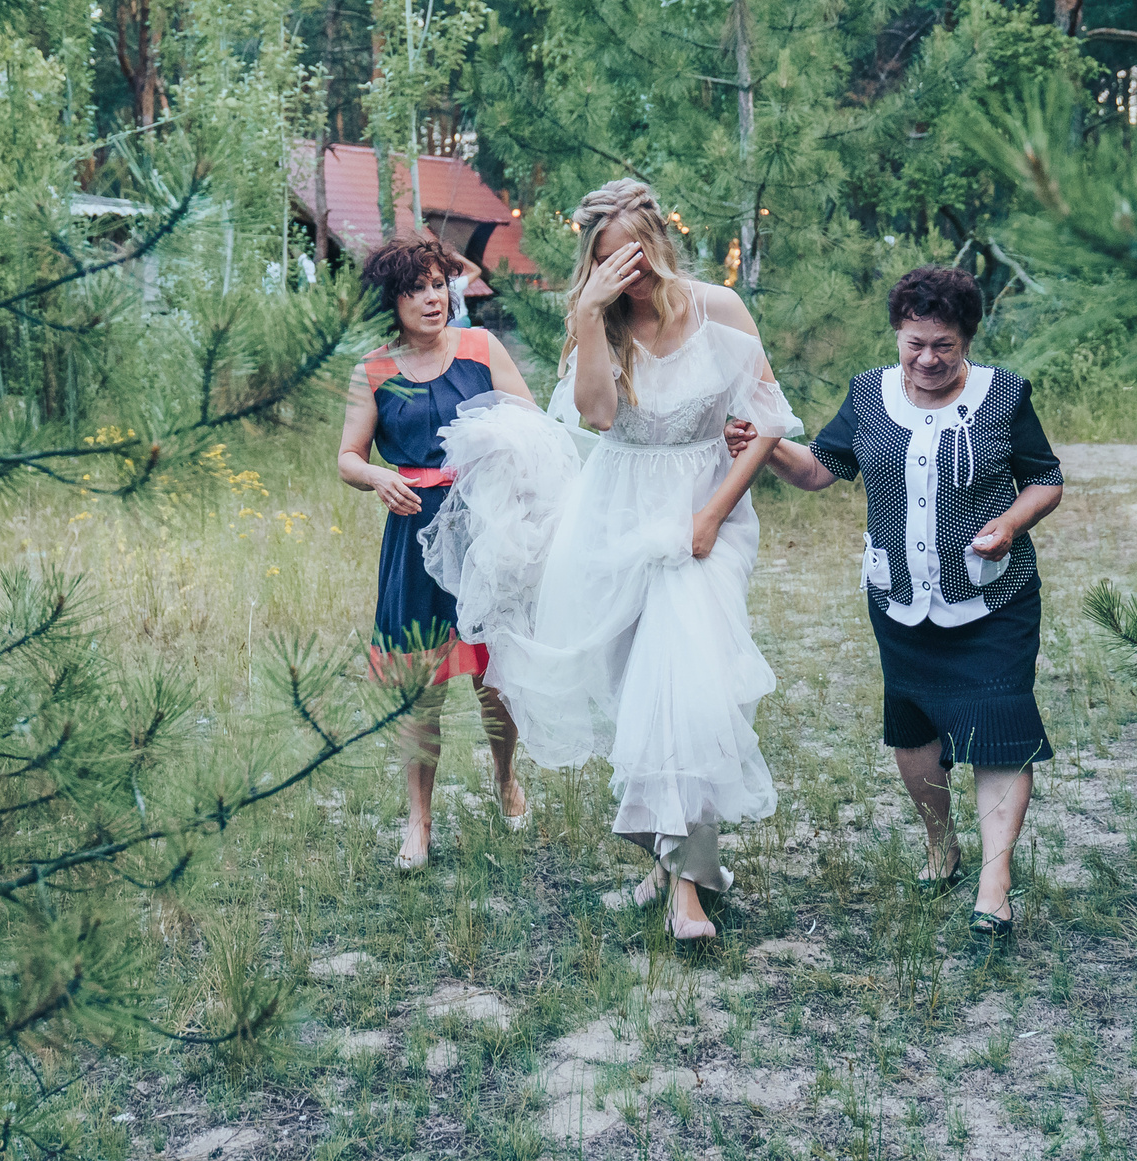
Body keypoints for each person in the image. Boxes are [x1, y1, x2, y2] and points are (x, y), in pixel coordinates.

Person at [427, 179, 800, 942]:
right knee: (643, 692)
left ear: (660, 242)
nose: (626, 272)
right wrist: (589, 312)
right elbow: (598, 415)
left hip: (704, 515)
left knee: (685, 686)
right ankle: (673, 864)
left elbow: (768, 420)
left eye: (634, 254)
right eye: (606, 260)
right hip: (614, 515)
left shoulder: (719, 309)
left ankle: (687, 894)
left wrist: (710, 515)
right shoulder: (597, 325)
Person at [730, 266, 1063, 936]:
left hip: (993, 599)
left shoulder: (1003, 395)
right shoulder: (870, 394)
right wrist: (765, 448)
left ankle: (994, 888)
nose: (928, 358)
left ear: (967, 337)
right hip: (902, 598)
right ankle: (941, 843)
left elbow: (1045, 478)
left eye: (944, 344)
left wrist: (1010, 525)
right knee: (914, 732)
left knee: (1001, 728)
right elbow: (822, 469)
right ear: (897, 334)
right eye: (915, 343)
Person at [337, 237, 534, 870]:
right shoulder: (372, 370)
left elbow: (528, 422)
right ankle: (418, 821)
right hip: (412, 533)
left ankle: (505, 777)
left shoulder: (482, 349)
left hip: (482, 531)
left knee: (492, 678)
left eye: (439, 283)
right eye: (415, 287)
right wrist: (376, 478)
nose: (433, 296)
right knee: (418, 686)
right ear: (390, 301)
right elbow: (348, 458)